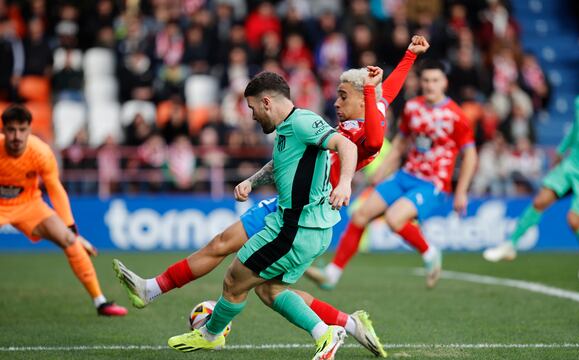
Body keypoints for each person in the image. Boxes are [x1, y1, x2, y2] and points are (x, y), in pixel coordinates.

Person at [113, 35, 429, 357]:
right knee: (224, 247)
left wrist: (345, 181)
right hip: (285, 202)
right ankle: (151, 289)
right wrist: (408, 56)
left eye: (343, 97)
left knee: (258, 284)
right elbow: (383, 94)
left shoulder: (361, 132)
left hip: (307, 208)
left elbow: (373, 128)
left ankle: (228, 331)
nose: (335, 103)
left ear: (362, 100)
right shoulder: (335, 119)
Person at [165, 72, 357, 359]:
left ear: (266, 102)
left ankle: (211, 335)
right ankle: (324, 333)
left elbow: (347, 145)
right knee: (270, 290)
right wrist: (252, 181)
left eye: (253, 108)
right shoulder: (286, 128)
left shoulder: (304, 121)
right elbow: (281, 163)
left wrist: (344, 184)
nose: (253, 116)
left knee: (233, 280)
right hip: (304, 229)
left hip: (294, 228)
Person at [307, 60, 478, 290]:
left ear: (444, 83)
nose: (429, 85)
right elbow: (399, 144)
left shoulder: (455, 116)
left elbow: (470, 155)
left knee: (394, 219)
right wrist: (382, 171)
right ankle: (333, 274)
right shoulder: (412, 108)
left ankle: (430, 252)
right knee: (360, 215)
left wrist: (461, 192)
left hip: (433, 182)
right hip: (405, 175)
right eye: (426, 80)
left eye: (435, 81)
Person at [483, 66, 579, 281]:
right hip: (571, 165)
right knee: (540, 201)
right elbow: (576, 130)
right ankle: (511, 244)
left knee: (574, 221)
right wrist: (560, 150)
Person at [0, 104, 127, 316]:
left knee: (70, 241)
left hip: (29, 204)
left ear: (29, 130)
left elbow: (55, 189)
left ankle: (101, 302)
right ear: (3, 131)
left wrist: (74, 232)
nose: (17, 136)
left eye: (22, 130)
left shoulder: (40, 152)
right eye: (11, 130)